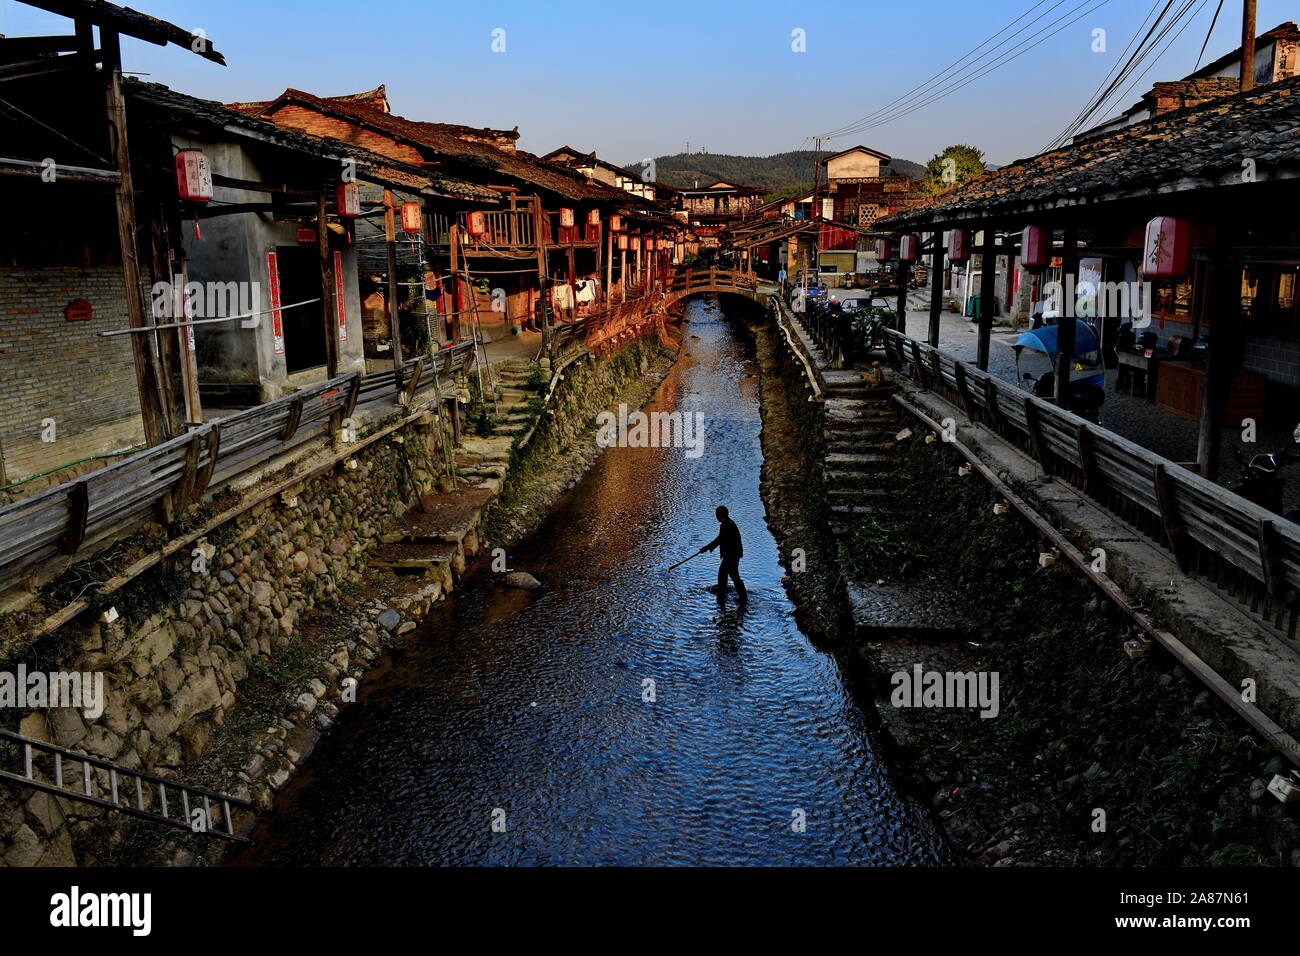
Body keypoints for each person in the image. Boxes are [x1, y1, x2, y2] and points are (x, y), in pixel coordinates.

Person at [699, 506, 746, 599]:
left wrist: (707, 547)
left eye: (717, 515)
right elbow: (721, 539)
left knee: (726, 574)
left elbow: (719, 539)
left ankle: (723, 596)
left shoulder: (726, 525)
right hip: (734, 554)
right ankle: (738, 596)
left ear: (720, 515)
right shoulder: (729, 523)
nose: (716, 517)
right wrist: (709, 547)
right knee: (730, 574)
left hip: (731, 555)